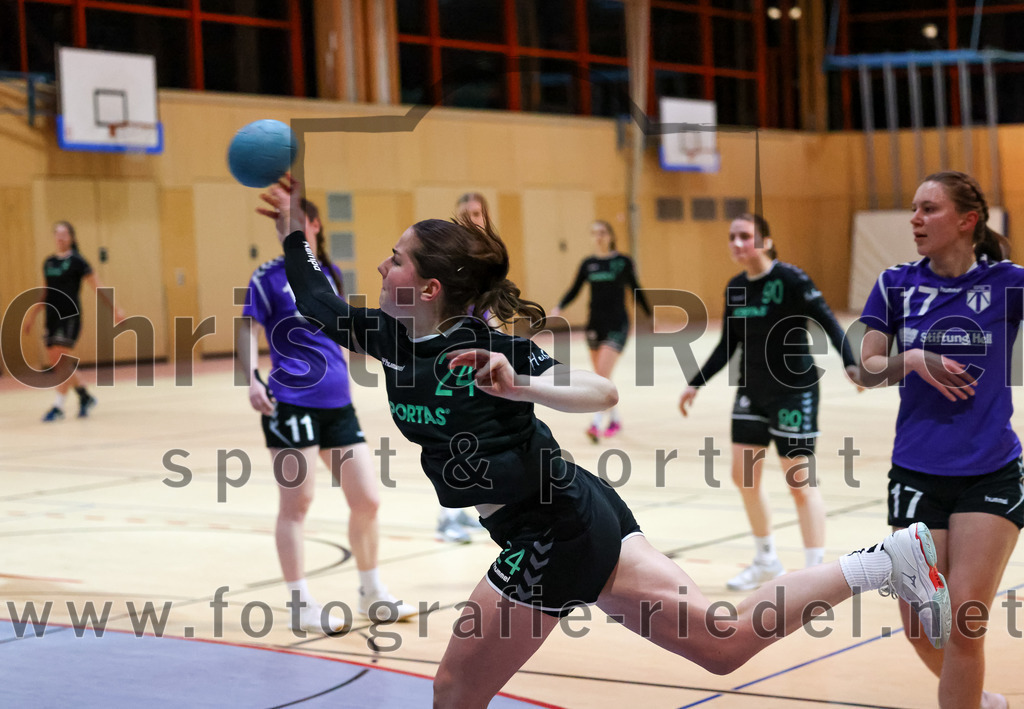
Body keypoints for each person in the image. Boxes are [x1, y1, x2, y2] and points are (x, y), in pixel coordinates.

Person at [261, 175, 950, 708]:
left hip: (550, 531)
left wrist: (522, 385)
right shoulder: (388, 336)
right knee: (722, 644)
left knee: (454, 690)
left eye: (394, 260)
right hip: (576, 511)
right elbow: (316, 302)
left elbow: (600, 391)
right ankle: (883, 562)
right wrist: (294, 234)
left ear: (428, 285)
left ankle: (885, 562)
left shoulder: (485, 346)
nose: (382, 268)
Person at [857, 171, 1020, 709]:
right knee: (922, 628)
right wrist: (911, 359)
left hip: (990, 473)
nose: (915, 219)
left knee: (965, 624)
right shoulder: (896, 284)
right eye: (914, 208)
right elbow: (864, 370)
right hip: (916, 473)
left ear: (967, 220)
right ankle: (980, 700)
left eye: (929, 209)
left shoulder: (1008, 283)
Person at [236, 197, 415, 634]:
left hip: (337, 402)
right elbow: (246, 328)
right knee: (297, 504)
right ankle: (300, 604)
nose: (284, 226)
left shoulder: (328, 273)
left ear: (313, 225)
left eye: (292, 219)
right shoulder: (266, 276)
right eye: (281, 221)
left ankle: (371, 591)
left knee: (367, 499)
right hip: (291, 402)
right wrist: (252, 379)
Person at [678, 214, 862, 591]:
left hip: (794, 391)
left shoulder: (792, 279)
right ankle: (766, 561)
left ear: (766, 241)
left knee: (799, 482)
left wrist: (850, 362)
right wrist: (695, 383)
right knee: (743, 476)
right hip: (752, 391)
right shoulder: (736, 288)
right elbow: (728, 344)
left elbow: (827, 321)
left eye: (745, 236)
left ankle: (814, 573)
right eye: (732, 236)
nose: (736, 243)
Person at [551, 220, 651, 442]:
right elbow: (575, 289)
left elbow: (636, 288)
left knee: (601, 376)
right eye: (595, 232)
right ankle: (615, 420)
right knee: (601, 377)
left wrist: (649, 314)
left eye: (603, 232)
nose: (599, 236)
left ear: (611, 236)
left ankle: (595, 424)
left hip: (618, 324)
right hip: (595, 324)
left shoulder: (622, 262)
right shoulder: (588, 264)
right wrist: (559, 307)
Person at [433, 192, 496, 544]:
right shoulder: (452, 256)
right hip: (451, 351)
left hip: (477, 349)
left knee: (472, 436)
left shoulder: (487, 256)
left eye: (477, 213)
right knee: (452, 436)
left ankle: (458, 510)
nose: (473, 219)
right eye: (466, 214)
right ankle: (446, 518)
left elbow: (486, 306)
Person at [22, 221, 125, 422]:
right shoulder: (49, 262)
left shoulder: (78, 261)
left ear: (72, 238)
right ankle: (85, 396)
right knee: (58, 362)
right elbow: (45, 291)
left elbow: (98, 286)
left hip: (69, 316)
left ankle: (58, 406)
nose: (60, 238)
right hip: (51, 317)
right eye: (57, 234)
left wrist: (116, 309)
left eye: (64, 234)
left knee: (61, 360)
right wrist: (32, 315)